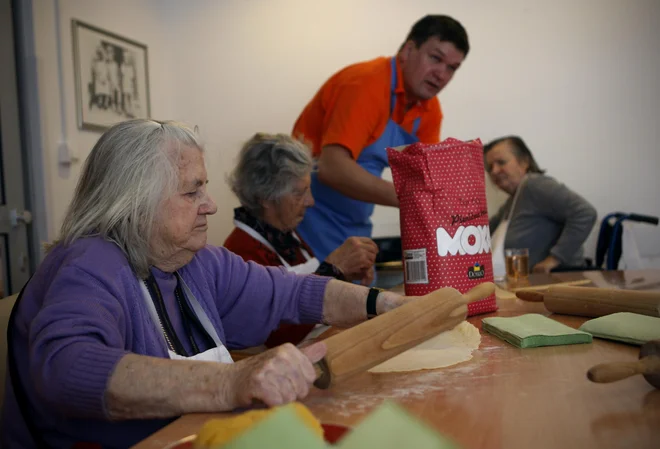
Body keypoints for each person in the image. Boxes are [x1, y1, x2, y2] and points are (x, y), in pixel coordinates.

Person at [0, 120, 416, 448]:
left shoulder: (195, 261)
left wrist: (384, 305)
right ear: (135, 202)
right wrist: (232, 382)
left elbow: (294, 291)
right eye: (192, 192)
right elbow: (67, 368)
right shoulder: (89, 263)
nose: (211, 205)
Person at [293, 15, 469, 262]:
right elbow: (332, 168)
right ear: (408, 50)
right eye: (436, 58)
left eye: (452, 67)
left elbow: (424, 181)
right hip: (305, 221)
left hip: (354, 225)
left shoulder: (429, 109)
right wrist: (413, 198)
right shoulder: (365, 83)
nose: (441, 74)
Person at [224, 133, 379, 346]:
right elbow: (274, 335)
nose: (310, 202)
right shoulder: (242, 253)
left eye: (309, 190)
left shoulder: (289, 237)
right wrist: (332, 271)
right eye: (299, 193)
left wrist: (348, 274)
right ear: (266, 198)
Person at [484, 136, 597, 274]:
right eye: (490, 167)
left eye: (501, 162)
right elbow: (485, 230)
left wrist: (554, 259)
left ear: (524, 162)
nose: (494, 171)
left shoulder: (534, 185)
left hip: (559, 280)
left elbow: (585, 213)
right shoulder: (512, 202)